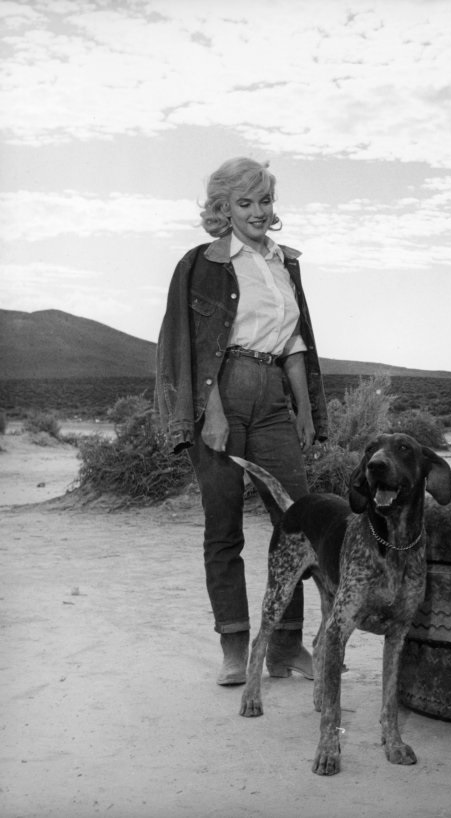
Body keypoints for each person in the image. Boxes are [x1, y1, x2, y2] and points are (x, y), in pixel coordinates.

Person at [156, 157, 328, 687]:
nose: (257, 212)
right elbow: (188, 344)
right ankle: (234, 648)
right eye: (244, 202)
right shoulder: (199, 264)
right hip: (221, 394)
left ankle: (286, 647)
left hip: (274, 396)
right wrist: (210, 412)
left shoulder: (285, 263)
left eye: (265, 201)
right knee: (224, 528)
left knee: (296, 524)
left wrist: (304, 409)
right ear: (223, 208)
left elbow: (294, 342)